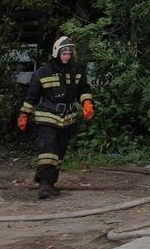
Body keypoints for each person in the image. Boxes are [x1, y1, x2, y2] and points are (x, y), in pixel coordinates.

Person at [18, 36, 95, 199]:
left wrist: (87, 102)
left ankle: (51, 183)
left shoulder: (76, 72)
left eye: (69, 53)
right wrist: (24, 114)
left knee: (59, 152)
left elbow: (83, 90)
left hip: (67, 118)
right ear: (56, 53)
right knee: (48, 150)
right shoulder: (42, 73)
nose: (67, 56)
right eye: (64, 53)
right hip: (47, 116)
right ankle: (44, 184)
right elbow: (32, 96)